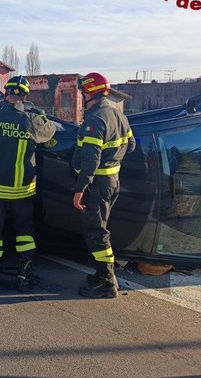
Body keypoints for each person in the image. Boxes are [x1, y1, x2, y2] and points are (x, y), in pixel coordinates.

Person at [0, 75, 56, 294]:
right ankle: (25, 278)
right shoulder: (30, 119)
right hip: (21, 190)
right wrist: (40, 114)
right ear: (24, 95)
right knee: (24, 233)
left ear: (6, 93)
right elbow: (50, 131)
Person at [72, 72, 136, 299]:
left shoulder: (95, 120)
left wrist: (80, 190)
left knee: (96, 232)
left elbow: (90, 161)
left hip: (97, 184)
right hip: (112, 181)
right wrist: (113, 160)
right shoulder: (119, 116)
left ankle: (107, 282)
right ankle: (101, 276)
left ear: (89, 92)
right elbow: (131, 146)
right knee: (100, 229)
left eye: (83, 92)